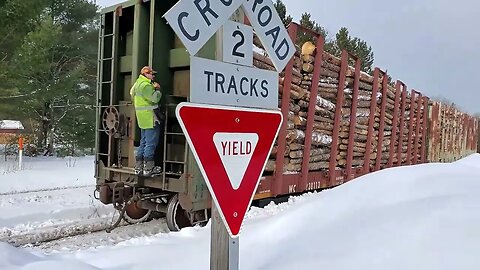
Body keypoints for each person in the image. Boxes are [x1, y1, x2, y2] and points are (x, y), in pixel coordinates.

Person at [130, 66, 163, 177]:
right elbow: (155, 99)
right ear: (146, 74)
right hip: (150, 117)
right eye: (152, 74)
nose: (153, 76)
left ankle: (138, 167)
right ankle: (149, 168)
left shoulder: (137, 84)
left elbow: (132, 94)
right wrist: (157, 90)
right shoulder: (146, 86)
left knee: (143, 142)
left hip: (142, 117)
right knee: (151, 143)